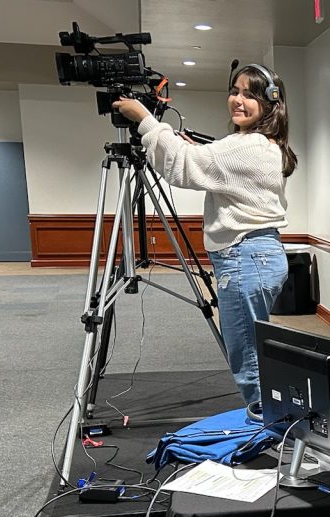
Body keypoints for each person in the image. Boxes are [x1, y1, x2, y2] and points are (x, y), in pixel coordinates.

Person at [113, 63, 298, 405]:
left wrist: (144, 119)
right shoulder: (263, 144)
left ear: (272, 101)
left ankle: (266, 421)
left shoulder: (247, 146)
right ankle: (273, 414)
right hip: (258, 255)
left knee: (247, 355)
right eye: (235, 91)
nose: (238, 100)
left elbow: (181, 166)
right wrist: (197, 152)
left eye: (250, 94)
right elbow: (202, 161)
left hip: (245, 259)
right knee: (252, 345)